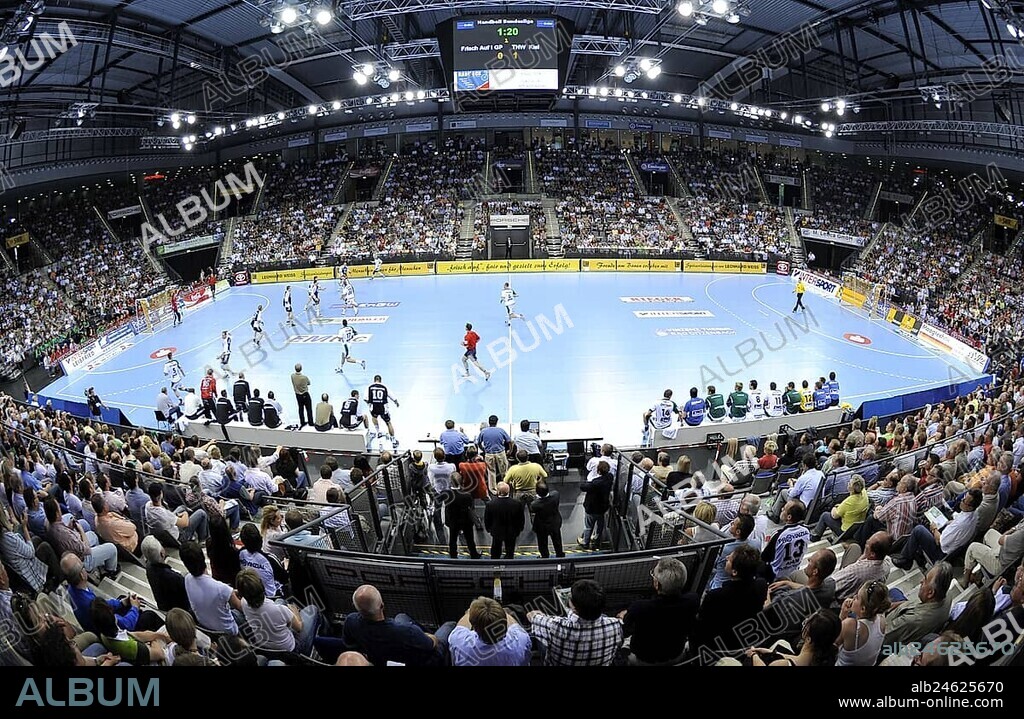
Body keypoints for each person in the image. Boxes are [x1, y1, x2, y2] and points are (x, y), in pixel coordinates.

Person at [343, 584, 454, 666]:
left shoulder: (351, 621)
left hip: (384, 658)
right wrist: (424, 636)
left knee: (401, 616)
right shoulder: (406, 632)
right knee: (449, 625)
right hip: (426, 659)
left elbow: (351, 645)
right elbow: (432, 644)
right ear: (382, 605)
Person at [692, 545, 767, 659]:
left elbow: (701, 628)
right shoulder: (761, 585)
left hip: (717, 648)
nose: (726, 558)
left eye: (730, 559)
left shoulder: (715, 596)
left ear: (735, 571)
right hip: (743, 642)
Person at [619, 558, 698, 665]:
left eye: (653, 575)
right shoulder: (693, 600)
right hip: (676, 656)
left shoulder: (640, 607)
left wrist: (623, 617)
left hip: (642, 660)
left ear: (657, 584)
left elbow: (625, 630)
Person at [528, 579, 623, 666]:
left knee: (540, 637)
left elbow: (531, 616)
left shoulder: (556, 625)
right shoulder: (615, 625)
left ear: (574, 608)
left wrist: (538, 614)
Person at [236, 568, 320, 658]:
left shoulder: (243, 602)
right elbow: (299, 628)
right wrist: (295, 612)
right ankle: (322, 640)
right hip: (292, 651)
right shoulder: (280, 610)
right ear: (261, 585)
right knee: (313, 609)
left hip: (266, 648)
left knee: (280, 600)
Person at [892, 488, 981, 570]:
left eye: (964, 501)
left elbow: (941, 542)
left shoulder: (960, 524)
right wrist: (948, 522)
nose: (961, 500)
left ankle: (905, 560)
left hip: (941, 553)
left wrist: (934, 529)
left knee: (918, 530)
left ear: (970, 507)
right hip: (950, 540)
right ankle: (917, 553)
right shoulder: (975, 513)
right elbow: (957, 519)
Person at [883, 562, 954, 652]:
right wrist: (901, 604)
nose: (921, 581)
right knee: (895, 591)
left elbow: (882, 637)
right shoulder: (947, 595)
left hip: (890, 639)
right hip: (913, 614)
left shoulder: (910, 620)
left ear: (930, 593)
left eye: (925, 579)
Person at [44, 499, 119, 578]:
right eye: (59, 508)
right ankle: (110, 572)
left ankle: (99, 564)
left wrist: (70, 528)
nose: (60, 510)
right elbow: (86, 550)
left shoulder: (48, 524)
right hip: (82, 558)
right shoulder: (62, 534)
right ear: (56, 514)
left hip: (72, 546)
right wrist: (81, 530)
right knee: (112, 548)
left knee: (92, 535)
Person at [180, 540, 242, 635]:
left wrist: (231, 593)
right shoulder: (222, 588)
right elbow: (241, 607)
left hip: (205, 626)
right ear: (203, 557)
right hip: (228, 632)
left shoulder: (187, 579)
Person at [448, 596, 531, 666]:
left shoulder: (459, 643)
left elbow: (460, 627)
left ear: (474, 627)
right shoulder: (521, 640)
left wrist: (471, 612)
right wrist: (500, 611)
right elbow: (514, 626)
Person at [746, 609, 842, 666]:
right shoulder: (828, 656)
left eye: (807, 625)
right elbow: (798, 659)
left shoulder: (782, 664)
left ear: (809, 639)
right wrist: (772, 652)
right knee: (781, 643)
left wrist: (754, 655)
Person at [835, 580, 890, 666]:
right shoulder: (882, 621)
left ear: (863, 609)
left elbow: (832, 642)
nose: (853, 597)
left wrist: (843, 613)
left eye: (857, 597)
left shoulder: (850, 625)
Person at [144, 481, 208, 544]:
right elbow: (184, 523)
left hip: (166, 527)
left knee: (181, 507)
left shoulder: (147, 505)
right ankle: (202, 541)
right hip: (179, 537)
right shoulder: (164, 514)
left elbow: (167, 515)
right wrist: (185, 513)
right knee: (201, 513)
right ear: (160, 494)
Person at [761, 500, 810, 581]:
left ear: (789, 517)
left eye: (784, 509)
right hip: (793, 571)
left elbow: (765, 557)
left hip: (776, 575)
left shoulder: (778, 535)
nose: (781, 509)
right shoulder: (806, 531)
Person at [707, 514, 758, 590]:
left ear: (738, 531)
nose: (731, 524)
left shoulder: (726, 549)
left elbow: (714, 564)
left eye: (733, 523)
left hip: (718, 585)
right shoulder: (755, 544)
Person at [810, 475, 868, 541]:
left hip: (846, 532)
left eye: (849, 483)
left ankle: (815, 537)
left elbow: (835, 515)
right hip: (857, 528)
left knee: (825, 515)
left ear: (851, 488)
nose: (848, 484)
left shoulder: (849, 502)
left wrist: (834, 507)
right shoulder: (864, 493)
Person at [141, 536, 189, 613]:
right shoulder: (173, 577)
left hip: (164, 608)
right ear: (162, 554)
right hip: (181, 611)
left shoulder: (149, 568)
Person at [439, 472, 481, 559]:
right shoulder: (467, 495)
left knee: (453, 539)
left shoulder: (446, 494)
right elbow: (471, 508)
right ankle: (474, 554)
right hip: (466, 520)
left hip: (453, 520)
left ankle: (453, 554)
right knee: (470, 539)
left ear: (450, 482)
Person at [578, 460, 613, 550]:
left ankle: (585, 542)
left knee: (588, 526)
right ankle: (597, 542)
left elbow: (583, 487)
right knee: (600, 526)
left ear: (598, 471)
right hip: (602, 508)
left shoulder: (595, 483)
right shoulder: (610, 477)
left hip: (592, 508)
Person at [484, 482, 523, 559]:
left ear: (498, 492)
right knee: (510, 550)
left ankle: (495, 564)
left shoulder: (491, 504)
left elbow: (487, 519)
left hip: (496, 531)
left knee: (496, 549)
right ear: (508, 491)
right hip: (512, 531)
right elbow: (521, 519)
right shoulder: (516, 504)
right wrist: (519, 530)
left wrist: (489, 529)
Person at [477, 415, 511, 492]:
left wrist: (483, 449)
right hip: (500, 453)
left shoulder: (483, 431)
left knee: (491, 472)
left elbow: (478, 443)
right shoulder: (501, 430)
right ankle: (505, 487)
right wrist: (510, 450)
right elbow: (509, 441)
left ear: (489, 422)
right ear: (496, 422)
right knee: (504, 471)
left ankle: (493, 490)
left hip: (489, 454)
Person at [530, 479, 563, 559]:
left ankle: (544, 556)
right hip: (554, 523)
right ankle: (560, 554)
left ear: (537, 492)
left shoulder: (535, 504)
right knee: (557, 540)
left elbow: (532, 509)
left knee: (542, 543)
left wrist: (536, 498)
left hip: (542, 526)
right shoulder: (555, 495)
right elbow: (553, 493)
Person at [366, 375, 399, 444]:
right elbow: (391, 395)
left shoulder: (369, 387)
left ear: (374, 380)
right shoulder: (384, 387)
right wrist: (396, 402)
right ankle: (393, 440)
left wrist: (370, 404)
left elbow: (366, 398)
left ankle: (378, 431)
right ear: (380, 380)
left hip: (374, 407)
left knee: (374, 417)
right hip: (383, 408)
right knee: (388, 422)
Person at [291, 364, 313, 428]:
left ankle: (302, 422)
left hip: (298, 395)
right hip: (305, 394)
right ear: (301, 368)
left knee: (301, 408)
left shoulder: (292, 376)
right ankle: (310, 422)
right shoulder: (304, 377)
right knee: (309, 409)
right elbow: (309, 383)